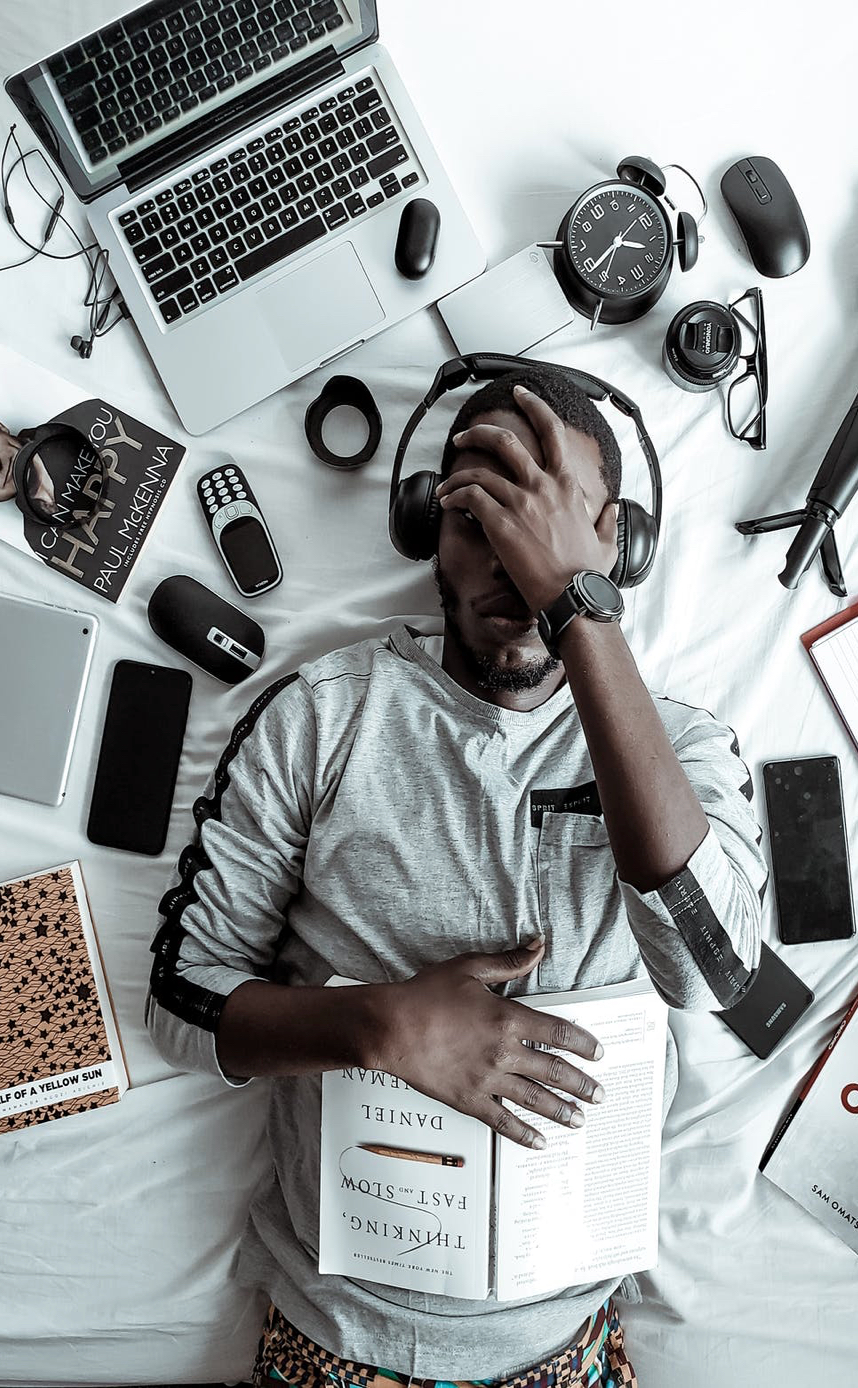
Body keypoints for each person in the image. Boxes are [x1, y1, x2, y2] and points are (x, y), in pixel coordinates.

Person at [146, 364, 765, 1388]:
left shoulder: (686, 755)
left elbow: (718, 976)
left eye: (550, 527)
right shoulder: (318, 717)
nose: (514, 572)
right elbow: (179, 1002)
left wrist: (578, 610)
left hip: (562, 1349)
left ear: (616, 543)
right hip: (335, 1342)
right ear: (425, 529)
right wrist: (379, 1027)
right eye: (480, 521)